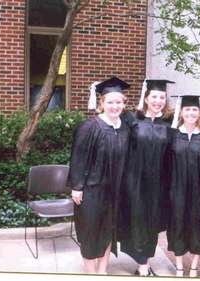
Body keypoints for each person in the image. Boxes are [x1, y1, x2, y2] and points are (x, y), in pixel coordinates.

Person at [68, 76, 130, 274]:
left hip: (115, 190)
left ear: (123, 104)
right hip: (92, 191)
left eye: (119, 102)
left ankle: (102, 271)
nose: (115, 106)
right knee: (90, 231)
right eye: (110, 102)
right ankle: (90, 272)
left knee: (108, 231)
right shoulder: (89, 127)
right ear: (101, 103)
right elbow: (78, 158)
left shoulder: (125, 128)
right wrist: (76, 187)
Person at [119, 79, 174, 276]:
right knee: (136, 220)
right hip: (134, 181)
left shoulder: (170, 122)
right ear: (146, 98)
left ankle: (144, 262)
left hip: (159, 182)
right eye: (154, 97)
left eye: (162, 97)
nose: (158, 101)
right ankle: (142, 265)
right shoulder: (132, 119)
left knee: (151, 223)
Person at [166, 94, 200, 278]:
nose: (191, 113)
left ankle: (194, 265)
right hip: (177, 190)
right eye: (187, 109)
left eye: (194, 109)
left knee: (197, 225)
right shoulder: (173, 135)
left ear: (199, 112)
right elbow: (166, 164)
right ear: (181, 112)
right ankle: (178, 265)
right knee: (177, 224)